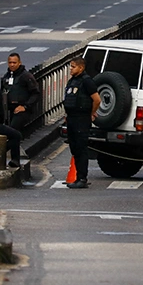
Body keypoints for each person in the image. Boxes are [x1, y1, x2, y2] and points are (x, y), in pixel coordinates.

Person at [62, 56, 101, 189]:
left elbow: (97, 100)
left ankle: (82, 178)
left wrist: (91, 113)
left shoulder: (87, 81)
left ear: (81, 67)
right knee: (74, 148)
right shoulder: (73, 81)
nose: (71, 69)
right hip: (72, 118)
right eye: (70, 67)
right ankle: (78, 176)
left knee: (81, 148)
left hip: (82, 118)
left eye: (73, 67)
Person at [1, 52, 40, 139]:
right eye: (10, 62)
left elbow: (35, 93)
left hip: (21, 110)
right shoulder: (6, 76)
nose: (12, 65)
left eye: (14, 63)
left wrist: (25, 106)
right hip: (9, 110)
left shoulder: (26, 76)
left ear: (19, 63)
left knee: (12, 130)